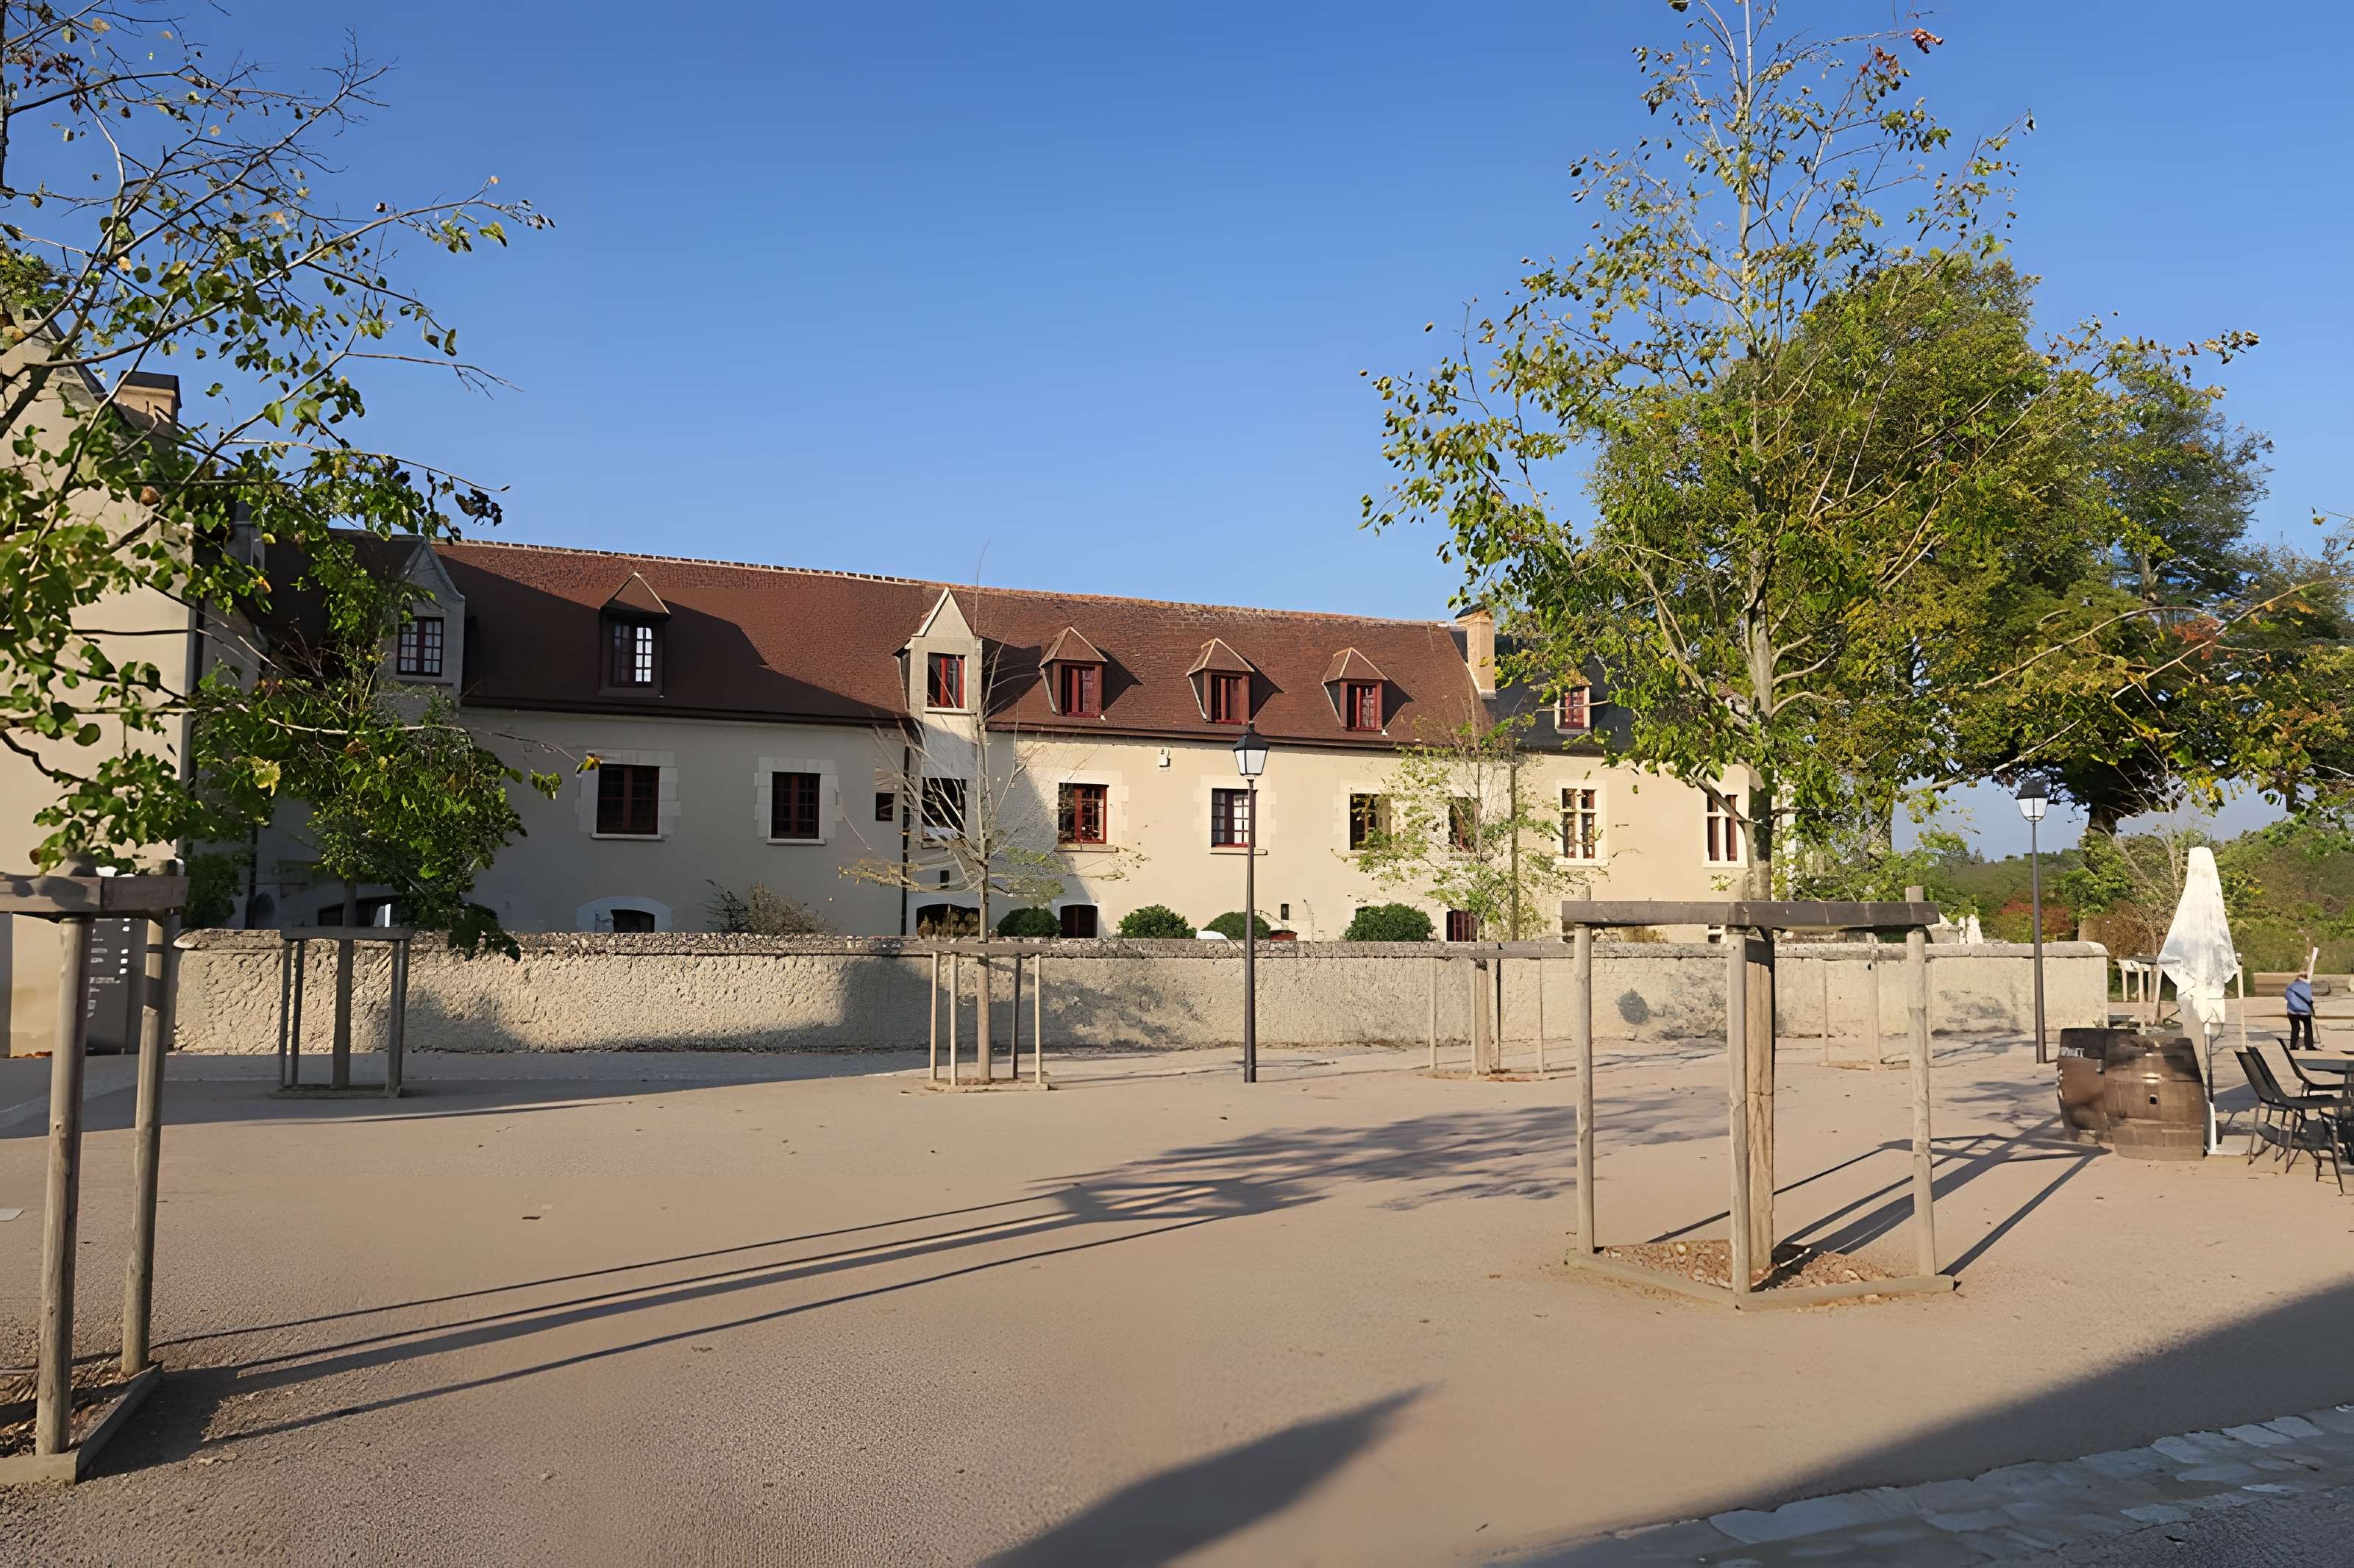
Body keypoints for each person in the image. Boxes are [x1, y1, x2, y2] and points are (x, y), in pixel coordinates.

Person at [2286, 972, 2316, 1051]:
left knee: (2295, 1028)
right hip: (2305, 1012)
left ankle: (2293, 1046)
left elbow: (2287, 997)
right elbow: (2310, 999)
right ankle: (2309, 1047)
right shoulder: (2308, 986)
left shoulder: (2291, 986)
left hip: (2292, 1011)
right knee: (2308, 1027)